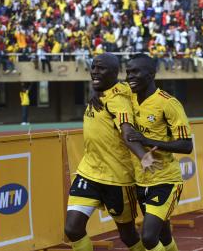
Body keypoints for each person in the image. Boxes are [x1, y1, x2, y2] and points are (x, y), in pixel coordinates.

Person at [65, 53, 161, 251]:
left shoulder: (119, 100)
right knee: (72, 228)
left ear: (115, 73)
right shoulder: (103, 91)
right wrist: (97, 90)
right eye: (93, 67)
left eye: (101, 68)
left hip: (117, 179)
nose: (94, 72)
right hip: (88, 172)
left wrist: (143, 156)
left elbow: (127, 133)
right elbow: (110, 86)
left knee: (128, 235)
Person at [126, 54, 193, 251]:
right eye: (128, 72)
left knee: (148, 237)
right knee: (164, 236)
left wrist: (148, 141)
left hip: (165, 181)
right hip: (140, 180)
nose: (130, 76)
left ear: (150, 74)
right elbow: (105, 88)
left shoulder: (168, 103)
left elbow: (186, 145)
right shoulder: (127, 98)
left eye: (135, 72)